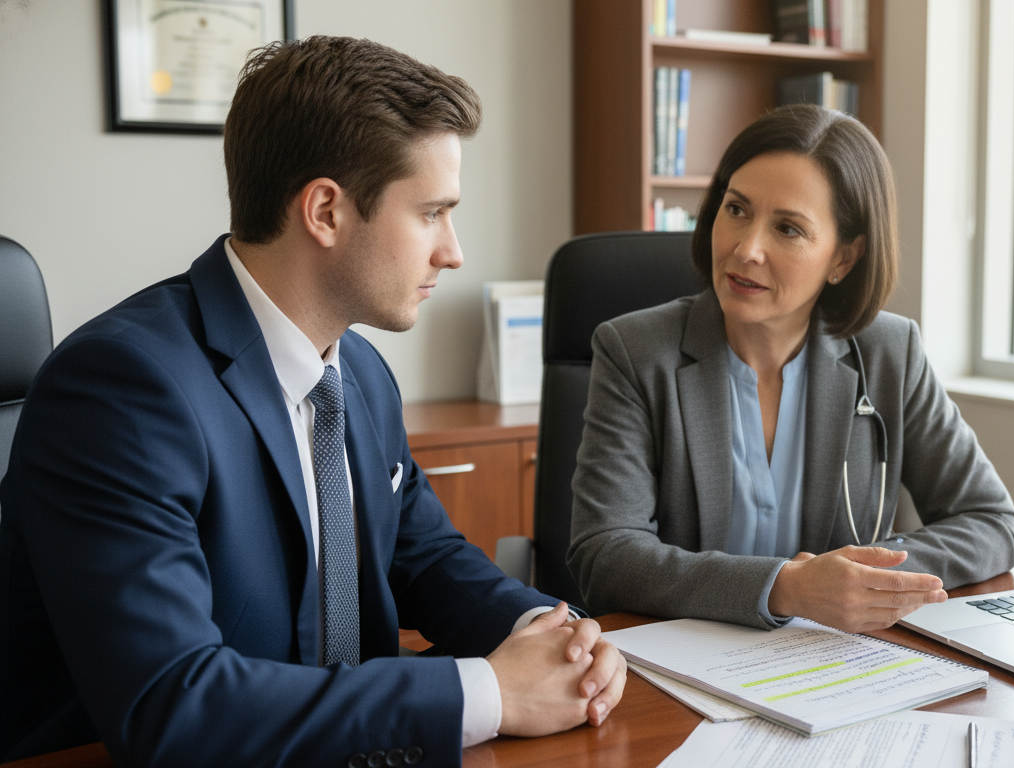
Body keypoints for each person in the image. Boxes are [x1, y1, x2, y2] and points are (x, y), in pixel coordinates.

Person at [0, 36, 624, 766]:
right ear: (325, 211)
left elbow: (425, 560)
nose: (452, 251)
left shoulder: (358, 373)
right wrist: (488, 693)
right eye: (431, 213)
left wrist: (557, 634)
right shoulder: (121, 391)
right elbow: (172, 703)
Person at [568, 104, 1014, 634]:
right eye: (736, 209)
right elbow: (606, 555)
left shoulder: (889, 353)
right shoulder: (637, 351)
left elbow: (992, 523)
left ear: (843, 260)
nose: (746, 248)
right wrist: (785, 588)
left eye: (788, 228)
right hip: (683, 660)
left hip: (830, 662)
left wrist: (863, 581)